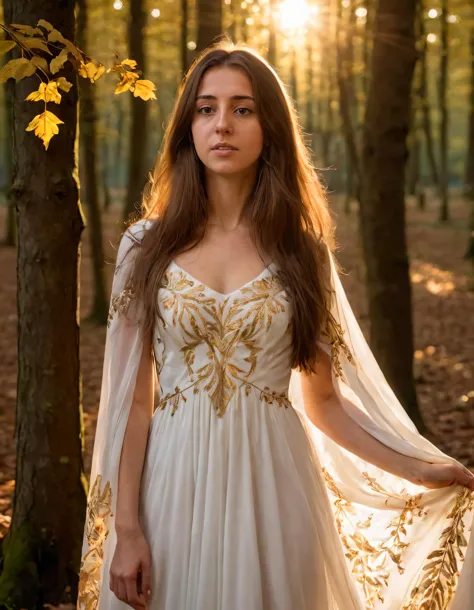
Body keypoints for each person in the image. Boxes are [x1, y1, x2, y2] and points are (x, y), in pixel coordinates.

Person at [77, 42, 474, 610]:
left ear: (270, 127)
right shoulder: (146, 248)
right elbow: (130, 401)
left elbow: (325, 402)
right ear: (187, 125)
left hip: (275, 486)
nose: (222, 126)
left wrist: (420, 467)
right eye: (206, 108)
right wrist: (129, 529)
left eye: (243, 109)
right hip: (172, 484)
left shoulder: (299, 251)